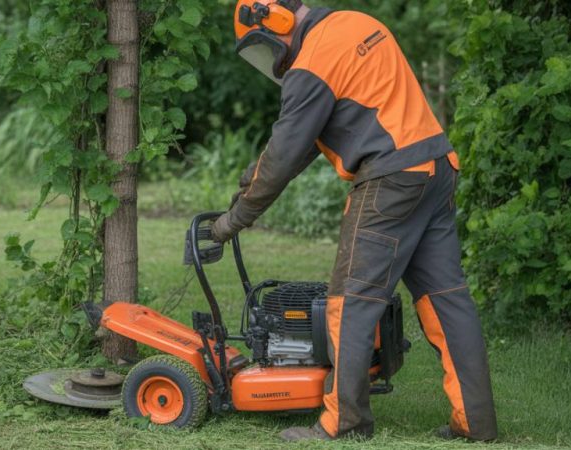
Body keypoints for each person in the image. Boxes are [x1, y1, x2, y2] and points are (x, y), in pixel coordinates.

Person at [210, 0, 498, 442]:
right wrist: (247, 187)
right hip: (435, 168)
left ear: (275, 21)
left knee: (350, 302)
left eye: (263, 47)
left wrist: (232, 220)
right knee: (446, 300)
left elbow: (284, 153)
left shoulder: (310, 64)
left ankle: (344, 421)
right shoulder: (355, 24)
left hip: (391, 181)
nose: (272, 60)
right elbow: (304, 143)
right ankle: (476, 423)